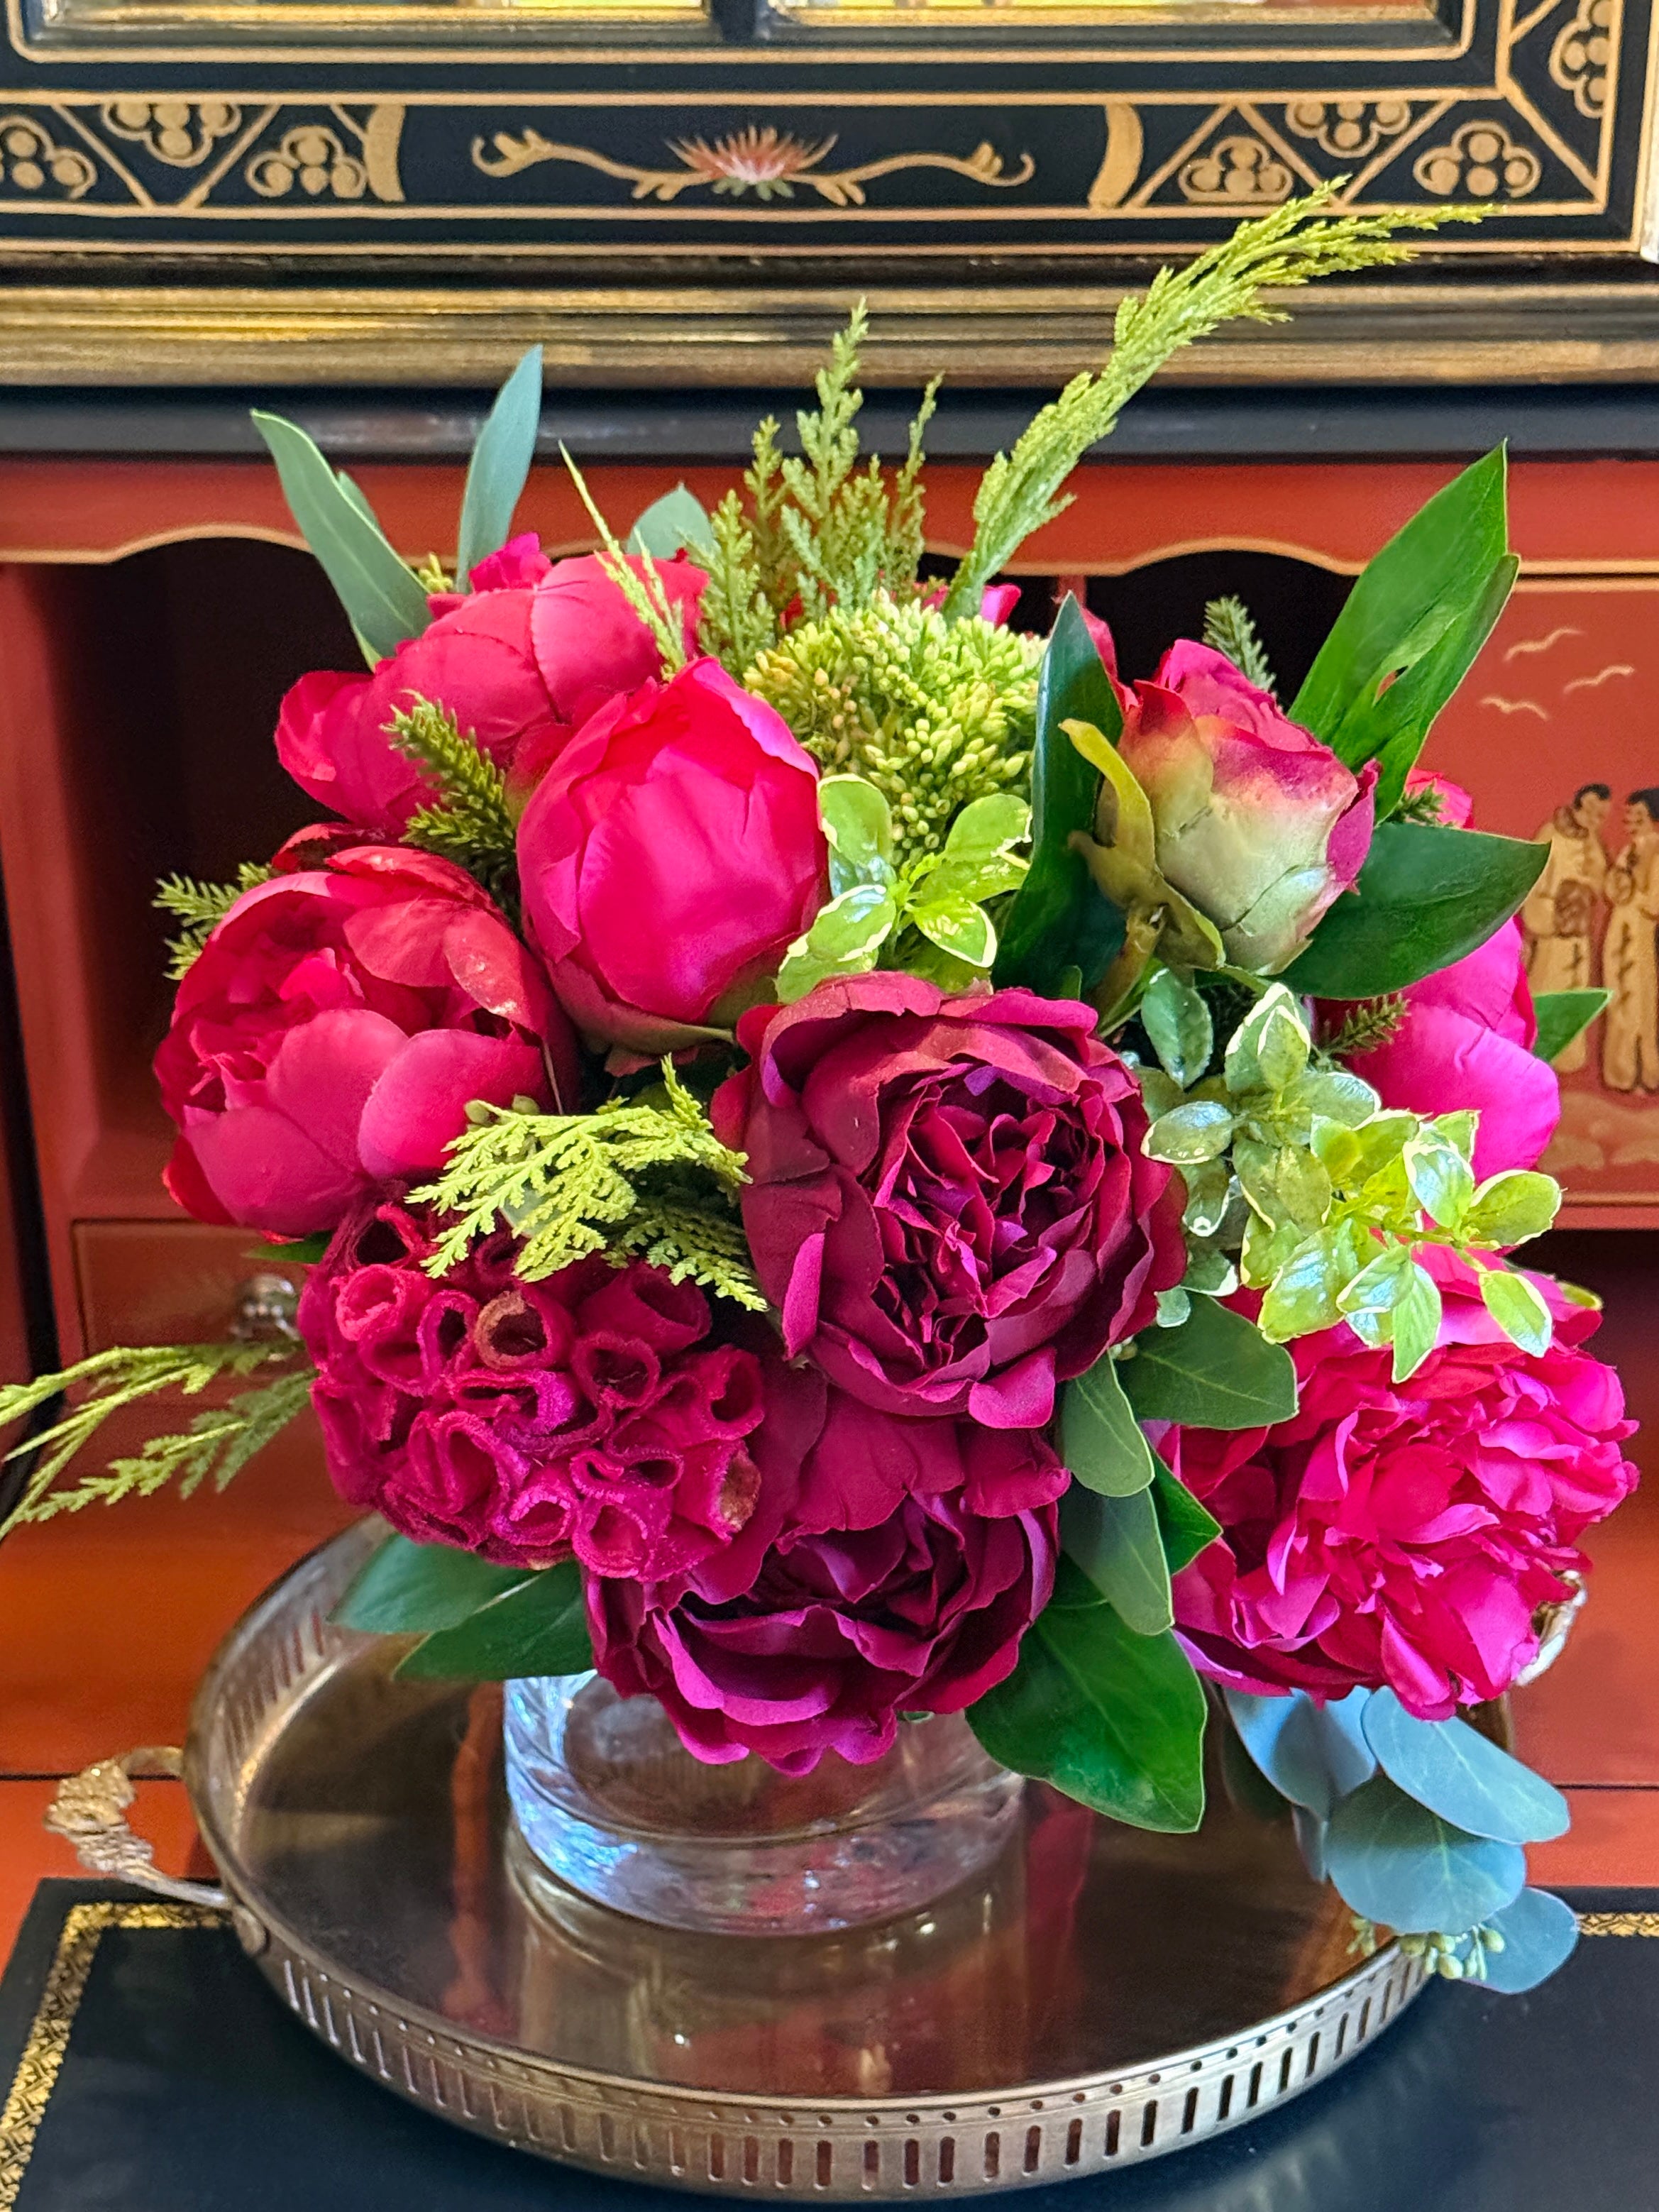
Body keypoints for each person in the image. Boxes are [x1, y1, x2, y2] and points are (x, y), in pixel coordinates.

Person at [1524, 781, 1611, 1072]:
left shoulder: (1591, 843)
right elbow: (1533, 881)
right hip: (1552, 928)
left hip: (1578, 930)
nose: (1594, 820)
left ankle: (1569, 1058)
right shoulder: (1551, 835)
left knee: (1576, 987)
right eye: (1591, 811)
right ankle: (1538, 1054)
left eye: (1601, 815)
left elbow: (1601, 880)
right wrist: (1548, 914)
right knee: (1547, 988)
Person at [1602, 789, 1659, 1093]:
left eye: (1638, 815)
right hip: (1620, 929)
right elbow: (1612, 890)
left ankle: (1644, 1072)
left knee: (1640, 1002)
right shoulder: (1629, 850)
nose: (1631, 821)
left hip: (1641, 934)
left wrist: (1633, 889)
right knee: (1619, 997)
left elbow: (1654, 903)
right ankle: (1621, 1073)